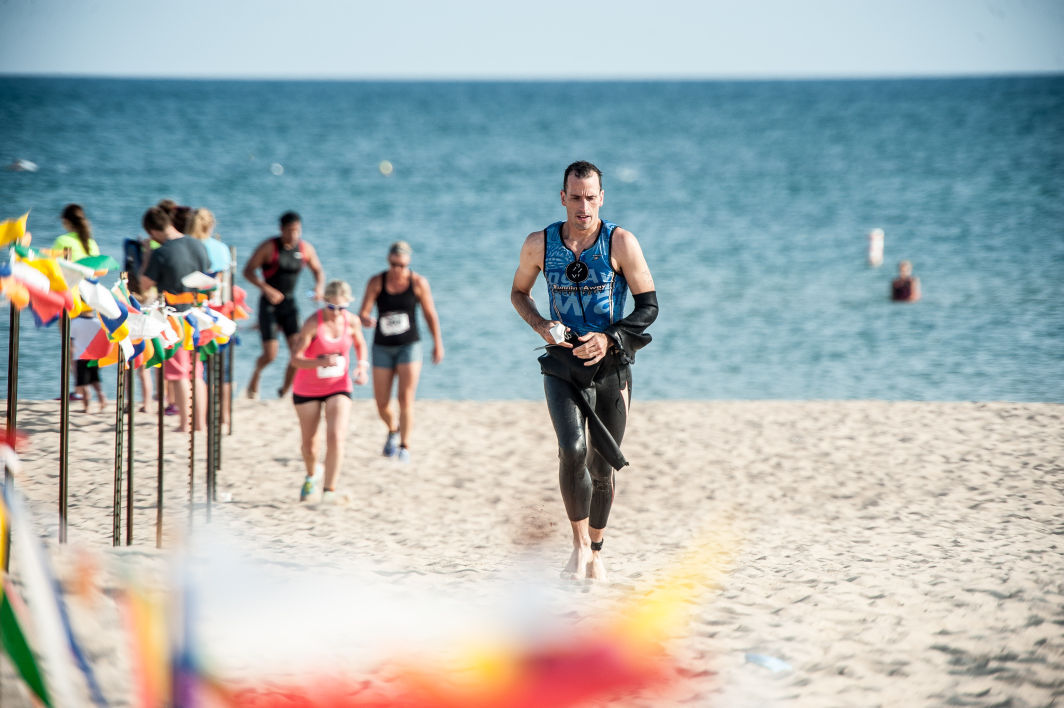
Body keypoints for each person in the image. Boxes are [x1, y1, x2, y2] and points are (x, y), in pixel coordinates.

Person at [510, 160, 658, 581]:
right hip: (561, 363)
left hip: (611, 365)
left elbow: (649, 307)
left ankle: (596, 546)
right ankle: (577, 547)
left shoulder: (621, 242)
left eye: (590, 198)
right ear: (562, 197)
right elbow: (519, 292)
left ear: (601, 199)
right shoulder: (539, 244)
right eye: (575, 197)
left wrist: (610, 338)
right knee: (572, 450)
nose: (583, 207)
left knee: (601, 464)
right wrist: (540, 324)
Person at [357, 241, 444, 463]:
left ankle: (405, 446)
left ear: (408, 263)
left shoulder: (417, 283)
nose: (397, 269)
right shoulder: (377, 281)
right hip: (382, 347)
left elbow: (430, 314)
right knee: (381, 403)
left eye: (402, 265)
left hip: (409, 346)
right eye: (394, 264)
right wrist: (365, 319)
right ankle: (392, 428)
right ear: (389, 261)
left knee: (405, 399)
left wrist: (438, 343)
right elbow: (363, 312)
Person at [290, 280, 369, 503]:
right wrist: (318, 362)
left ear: (348, 305)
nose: (336, 313)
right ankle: (312, 475)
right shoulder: (313, 323)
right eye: (332, 308)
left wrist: (362, 368)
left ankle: (329, 491)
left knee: (335, 436)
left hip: (339, 385)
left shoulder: (352, 321)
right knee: (310, 445)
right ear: (325, 303)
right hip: (308, 387)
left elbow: (360, 344)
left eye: (341, 308)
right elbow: (296, 360)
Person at [138, 205, 212, 433]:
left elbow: (144, 285)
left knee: (179, 373)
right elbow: (207, 275)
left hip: (174, 317)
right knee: (196, 372)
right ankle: (200, 423)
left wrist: (148, 255)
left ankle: (185, 423)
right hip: (197, 315)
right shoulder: (196, 244)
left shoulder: (161, 252)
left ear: (152, 232)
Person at [243, 211, 325, 399]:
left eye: (297, 230)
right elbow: (248, 271)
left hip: (289, 304)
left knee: (298, 351)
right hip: (269, 305)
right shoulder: (269, 247)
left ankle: (284, 391)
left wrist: (319, 287)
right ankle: (256, 375)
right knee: (270, 354)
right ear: (281, 230)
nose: (293, 235)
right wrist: (266, 288)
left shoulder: (305, 249)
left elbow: (318, 270)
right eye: (289, 230)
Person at [53, 204, 107, 411]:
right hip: (89, 298)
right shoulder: (92, 244)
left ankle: (79, 390)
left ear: (66, 222)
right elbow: (99, 271)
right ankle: (93, 390)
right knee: (86, 346)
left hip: (69, 297)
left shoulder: (62, 241)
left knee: (71, 345)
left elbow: (56, 270)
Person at [190, 208, 234, 426]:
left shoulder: (190, 247)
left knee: (198, 366)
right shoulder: (221, 248)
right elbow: (226, 279)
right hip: (220, 309)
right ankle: (224, 415)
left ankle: (201, 419)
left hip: (197, 309)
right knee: (221, 368)